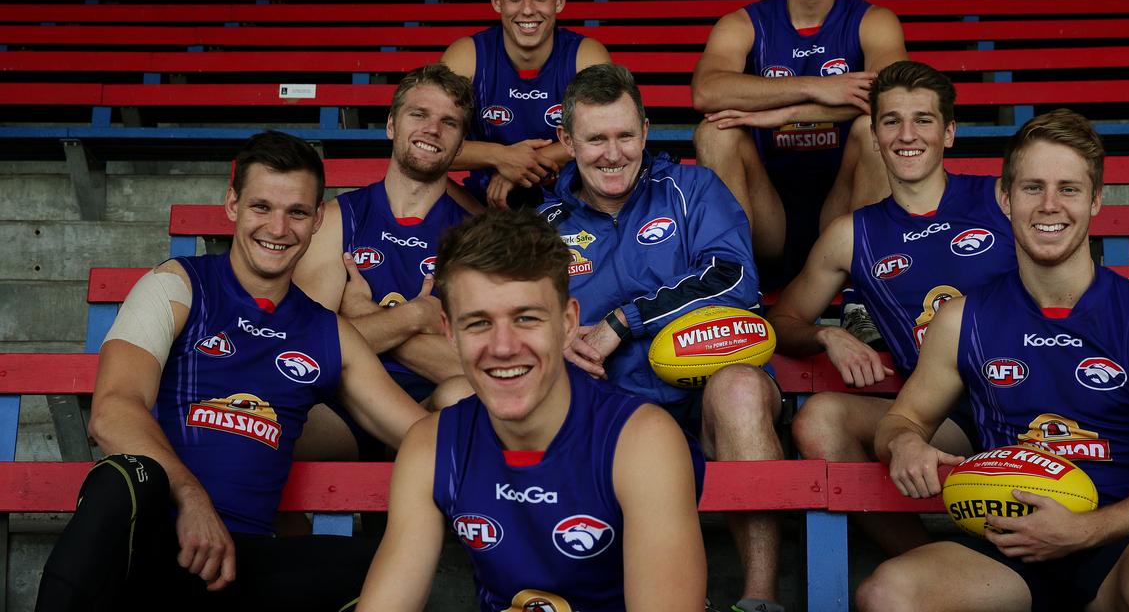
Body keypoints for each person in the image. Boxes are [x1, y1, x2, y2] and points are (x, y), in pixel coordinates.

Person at [37, 131, 429, 612]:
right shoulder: (176, 286)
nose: (278, 227)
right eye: (261, 207)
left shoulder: (331, 335)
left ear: (317, 221)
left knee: (384, 568)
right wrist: (192, 500)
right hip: (151, 548)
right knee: (123, 479)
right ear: (233, 205)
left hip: (241, 561)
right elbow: (112, 411)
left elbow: (421, 434)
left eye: (298, 212)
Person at [859, 109, 1129, 611]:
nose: (1050, 205)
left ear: (1095, 200)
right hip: (1011, 544)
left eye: (1068, 189)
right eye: (1032, 188)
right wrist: (903, 443)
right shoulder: (962, 319)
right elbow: (903, 418)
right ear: (1005, 198)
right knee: (887, 593)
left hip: (1124, 538)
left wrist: (1085, 529)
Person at [355, 209, 706, 612]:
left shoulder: (640, 441)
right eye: (478, 323)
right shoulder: (431, 446)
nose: (503, 346)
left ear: (567, 323)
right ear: (450, 331)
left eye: (526, 318)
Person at [538, 64, 785, 612]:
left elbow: (735, 280)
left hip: (709, 392)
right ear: (566, 140)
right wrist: (557, 338)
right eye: (596, 138)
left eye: (625, 135)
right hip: (611, 408)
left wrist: (621, 322)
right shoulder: (544, 226)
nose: (613, 153)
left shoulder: (693, 188)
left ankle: (760, 600)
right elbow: (527, 317)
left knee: (740, 390)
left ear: (646, 131)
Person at [773, 60, 1017, 554]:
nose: (908, 135)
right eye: (891, 121)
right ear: (876, 135)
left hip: (1033, 395)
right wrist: (826, 335)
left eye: (923, 120)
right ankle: (923, 563)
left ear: (949, 132)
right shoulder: (850, 235)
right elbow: (782, 320)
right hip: (951, 416)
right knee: (818, 419)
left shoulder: (1002, 199)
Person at [690, 0, 907, 284]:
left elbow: (892, 100)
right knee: (714, 132)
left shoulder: (873, 21)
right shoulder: (743, 23)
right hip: (765, 212)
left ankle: (865, 295)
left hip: (843, 206)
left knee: (874, 129)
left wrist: (786, 112)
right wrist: (818, 87)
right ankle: (732, 285)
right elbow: (707, 91)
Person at [293, 63, 477, 461]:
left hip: (430, 408)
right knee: (268, 409)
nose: (432, 129)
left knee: (465, 395)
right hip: (342, 412)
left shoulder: (478, 238)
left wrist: (361, 318)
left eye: (449, 122)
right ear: (391, 125)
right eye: (419, 114)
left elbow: (481, 366)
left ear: (461, 145)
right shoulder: (338, 220)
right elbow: (306, 351)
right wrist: (415, 317)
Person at [441, 0, 612, 209]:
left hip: (573, 206)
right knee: (420, 173)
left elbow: (611, 134)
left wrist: (521, 165)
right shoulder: (467, 56)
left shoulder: (586, 56)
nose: (528, 9)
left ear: (559, 1)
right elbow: (426, 138)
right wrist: (500, 157)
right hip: (484, 208)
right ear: (497, 1)